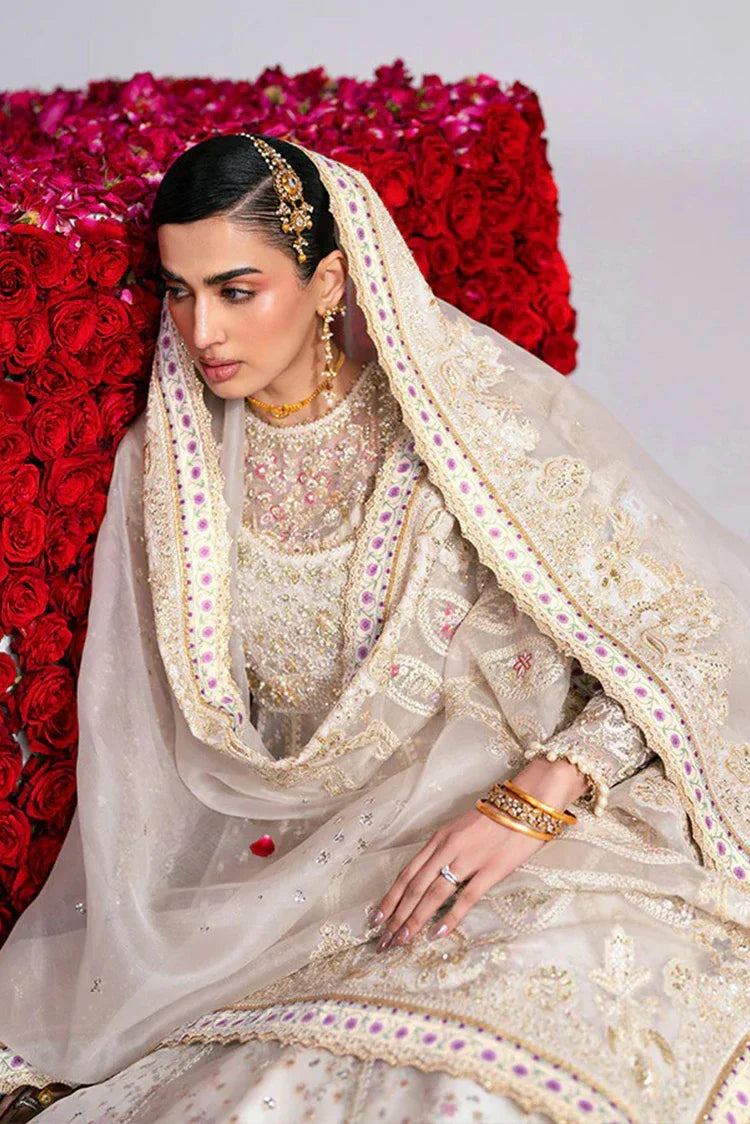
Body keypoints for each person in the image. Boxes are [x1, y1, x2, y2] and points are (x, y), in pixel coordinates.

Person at [0, 132, 748, 1124]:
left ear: (328, 282)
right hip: (311, 884)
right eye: (179, 292)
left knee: (532, 1062)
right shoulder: (170, 473)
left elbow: (680, 634)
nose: (201, 329)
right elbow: (142, 765)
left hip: (541, 840)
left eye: (236, 289)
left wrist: (537, 796)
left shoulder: (458, 426)